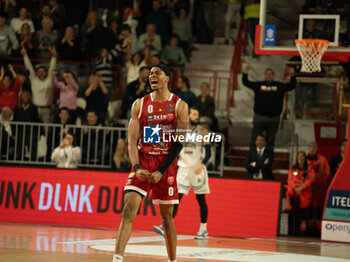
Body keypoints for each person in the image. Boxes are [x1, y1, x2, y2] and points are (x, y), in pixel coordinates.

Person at [113, 64, 189, 262]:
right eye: (151, 73)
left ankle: (172, 260)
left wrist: (161, 171)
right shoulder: (139, 104)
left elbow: (180, 143)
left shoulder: (180, 106)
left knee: (166, 219)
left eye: (157, 73)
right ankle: (117, 258)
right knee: (129, 208)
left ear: (167, 79)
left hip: (166, 165)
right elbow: (131, 141)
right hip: (144, 162)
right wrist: (136, 167)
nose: (152, 76)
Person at [153, 107, 212, 239]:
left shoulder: (202, 131)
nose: (197, 116)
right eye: (194, 114)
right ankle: (166, 226)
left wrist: (203, 164)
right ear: (188, 115)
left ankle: (203, 229)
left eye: (198, 114)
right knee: (176, 199)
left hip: (197, 169)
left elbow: (209, 152)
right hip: (184, 169)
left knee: (201, 199)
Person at [242, 66, 296, 151]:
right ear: (264, 75)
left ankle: (267, 158)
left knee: (270, 139)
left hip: (274, 118)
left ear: (273, 76)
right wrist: (245, 73)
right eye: (267, 74)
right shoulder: (258, 85)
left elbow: (292, 85)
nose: (268, 75)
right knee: (255, 137)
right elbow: (246, 82)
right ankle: (252, 157)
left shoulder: (279, 86)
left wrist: (292, 75)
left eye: (270, 74)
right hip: (259, 116)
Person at [21, 46, 57, 123]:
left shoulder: (49, 80)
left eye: (43, 71)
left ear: (46, 73)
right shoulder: (34, 80)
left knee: (46, 129)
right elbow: (29, 67)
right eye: (39, 71)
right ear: (37, 72)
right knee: (34, 129)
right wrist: (25, 56)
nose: (41, 73)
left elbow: (52, 68)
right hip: (34, 108)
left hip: (46, 109)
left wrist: (54, 56)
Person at [284, 151, 315, 232]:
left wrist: (302, 187)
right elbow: (290, 179)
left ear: (305, 158)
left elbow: (311, 179)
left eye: (302, 156)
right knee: (286, 189)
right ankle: (287, 205)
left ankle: (303, 222)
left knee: (305, 200)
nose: (300, 158)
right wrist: (294, 187)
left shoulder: (309, 168)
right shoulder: (293, 168)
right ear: (297, 158)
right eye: (299, 156)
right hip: (295, 189)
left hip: (304, 189)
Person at [307, 141, 330, 231]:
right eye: (310, 147)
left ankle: (318, 228)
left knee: (319, 207)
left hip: (319, 188)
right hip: (308, 188)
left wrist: (319, 181)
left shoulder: (322, 159)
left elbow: (327, 173)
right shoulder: (305, 159)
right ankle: (309, 227)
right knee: (308, 207)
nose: (312, 149)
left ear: (317, 148)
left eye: (314, 147)